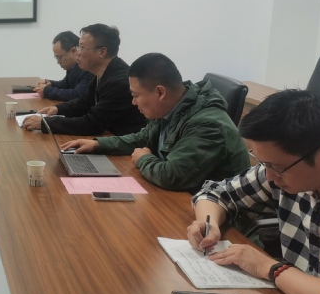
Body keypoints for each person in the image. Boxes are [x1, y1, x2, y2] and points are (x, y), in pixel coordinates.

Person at [187, 89, 320, 294]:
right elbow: (216, 192)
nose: (270, 177)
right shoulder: (285, 175)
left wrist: (269, 267)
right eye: (263, 163)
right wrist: (209, 223)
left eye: (277, 167)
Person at [63, 53, 249, 192]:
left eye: (136, 96)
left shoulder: (206, 124)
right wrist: (98, 144)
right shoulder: (173, 107)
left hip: (213, 218)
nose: (133, 102)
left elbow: (172, 176)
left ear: (160, 92)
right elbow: (142, 138)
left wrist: (143, 159)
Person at [22, 24, 146, 136]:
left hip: (125, 146)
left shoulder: (119, 82)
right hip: (109, 136)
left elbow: (92, 124)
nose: (77, 53)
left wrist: (47, 123)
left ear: (102, 52)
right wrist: (58, 109)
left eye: (82, 48)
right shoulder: (102, 73)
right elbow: (84, 102)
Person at [33, 30, 94, 102]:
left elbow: (77, 95)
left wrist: (47, 90)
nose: (58, 62)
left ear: (73, 51)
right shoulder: (73, 67)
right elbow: (65, 84)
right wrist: (50, 83)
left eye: (60, 57)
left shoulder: (88, 68)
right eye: (56, 58)